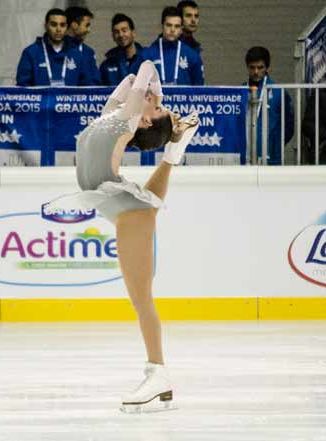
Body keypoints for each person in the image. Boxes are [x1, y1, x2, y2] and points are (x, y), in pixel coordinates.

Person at [44, 60, 200, 413]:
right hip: (118, 199)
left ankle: (157, 372)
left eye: (155, 106)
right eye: (157, 103)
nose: (155, 102)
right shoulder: (115, 113)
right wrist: (149, 93)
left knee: (141, 299)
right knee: (150, 208)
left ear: (144, 121)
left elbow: (144, 71)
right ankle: (175, 150)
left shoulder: (129, 116)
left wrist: (152, 94)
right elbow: (135, 75)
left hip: (125, 209)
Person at [16, 9, 92, 86]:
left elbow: (86, 86)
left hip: (68, 98)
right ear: (45, 26)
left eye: (62, 25)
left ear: (66, 27)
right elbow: (23, 87)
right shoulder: (31, 52)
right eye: (53, 24)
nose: (58, 29)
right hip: (43, 98)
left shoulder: (76, 54)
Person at [244, 46, 293, 165]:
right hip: (245, 159)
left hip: (271, 158)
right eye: (252, 67)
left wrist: (275, 145)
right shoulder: (241, 91)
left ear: (267, 68)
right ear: (247, 67)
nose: (256, 71)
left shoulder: (278, 92)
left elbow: (289, 126)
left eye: (260, 67)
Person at [140, 6, 204, 85]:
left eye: (177, 26)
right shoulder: (146, 55)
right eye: (169, 25)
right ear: (162, 26)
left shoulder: (192, 56)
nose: (172, 30)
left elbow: (199, 91)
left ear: (181, 29)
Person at [100, 13, 145, 86]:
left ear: (133, 33)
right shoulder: (107, 65)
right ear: (113, 36)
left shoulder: (146, 59)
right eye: (117, 32)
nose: (121, 35)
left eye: (124, 30)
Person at [66, 6, 102, 85]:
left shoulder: (89, 52)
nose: (89, 30)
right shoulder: (61, 50)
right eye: (86, 25)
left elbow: (96, 80)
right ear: (74, 25)